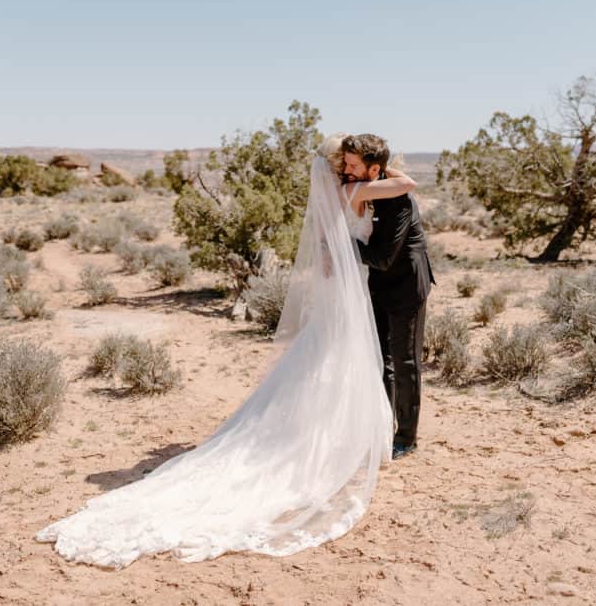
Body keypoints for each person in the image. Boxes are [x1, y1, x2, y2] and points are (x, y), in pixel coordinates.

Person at [35, 134, 417, 569]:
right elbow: (407, 184)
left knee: (326, 359)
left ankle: (328, 434)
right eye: (344, 162)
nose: (347, 168)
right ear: (341, 167)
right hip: (347, 293)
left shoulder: (339, 191)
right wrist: (376, 170)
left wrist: (361, 172)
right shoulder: (356, 189)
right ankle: (336, 442)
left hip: (339, 290)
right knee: (341, 360)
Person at [342, 134, 434, 460]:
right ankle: (382, 426)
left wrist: (341, 248)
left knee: (406, 360)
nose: (346, 169)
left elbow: (382, 257)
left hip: (407, 286)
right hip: (377, 285)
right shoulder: (358, 185)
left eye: (353, 164)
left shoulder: (399, 202)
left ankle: (407, 437)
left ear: (375, 169)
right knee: (381, 360)